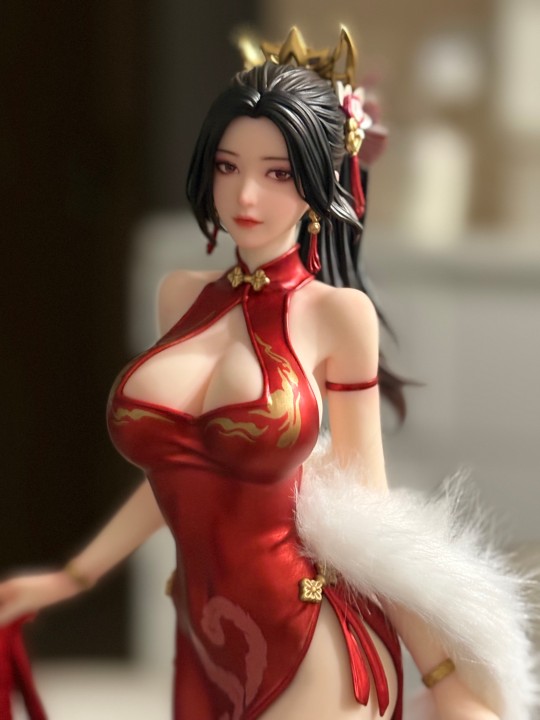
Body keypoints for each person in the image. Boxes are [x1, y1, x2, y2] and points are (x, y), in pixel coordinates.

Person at [0, 27, 535, 720]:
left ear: (318, 185)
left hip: (307, 634)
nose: (245, 194)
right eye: (227, 167)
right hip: (202, 640)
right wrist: (73, 575)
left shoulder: (338, 315)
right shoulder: (179, 296)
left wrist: (445, 678)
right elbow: (175, 471)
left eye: (277, 173)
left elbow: (370, 513)